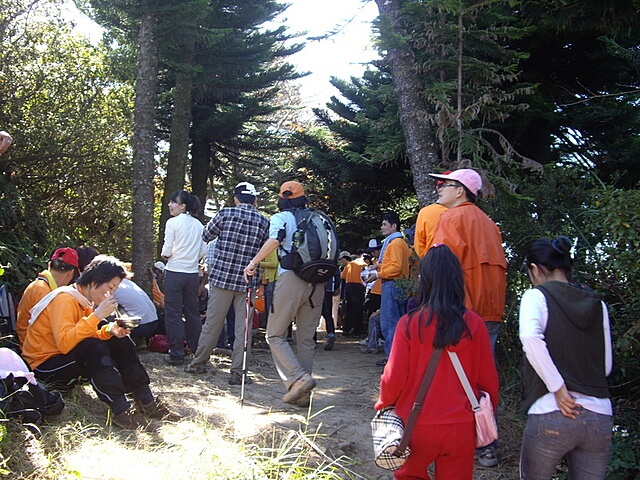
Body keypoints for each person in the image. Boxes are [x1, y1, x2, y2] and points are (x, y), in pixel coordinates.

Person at [375, 244, 499, 480]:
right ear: (457, 279)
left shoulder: (409, 324)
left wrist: (384, 405)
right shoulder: (474, 324)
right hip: (461, 426)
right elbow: (489, 382)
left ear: (425, 279)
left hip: (415, 424)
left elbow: (394, 378)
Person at [21, 255, 179, 430]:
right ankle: (121, 409)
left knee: (120, 340)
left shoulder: (83, 299)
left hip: (64, 358)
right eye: (110, 288)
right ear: (94, 280)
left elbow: (85, 335)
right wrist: (97, 316)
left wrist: (110, 331)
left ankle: (145, 400)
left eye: (114, 290)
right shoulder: (65, 299)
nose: (110, 294)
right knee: (92, 347)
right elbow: (65, 343)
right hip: (44, 367)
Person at [429, 168, 507, 466]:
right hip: (491, 310)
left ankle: (456, 440)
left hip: (460, 310)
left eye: (444, 185)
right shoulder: (490, 224)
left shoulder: (450, 218)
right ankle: (487, 443)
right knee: (484, 377)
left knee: (452, 378)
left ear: (460, 190)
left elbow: (441, 268)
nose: (439, 188)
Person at [519, 237, 613, 480]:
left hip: (551, 409)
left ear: (535, 269)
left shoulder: (536, 296)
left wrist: (558, 389)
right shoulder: (596, 302)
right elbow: (606, 366)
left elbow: (530, 337)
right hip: (599, 414)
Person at [243, 181, 324, 408]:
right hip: (317, 281)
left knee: (274, 334)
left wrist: (253, 263)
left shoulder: (281, 217)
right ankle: (303, 395)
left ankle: (298, 379)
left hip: (292, 277)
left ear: (283, 197)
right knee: (306, 339)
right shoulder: (317, 218)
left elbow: (276, 239)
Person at [185, 182, 269, 385]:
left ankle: (198, 363)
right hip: (247, 282)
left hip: (222, 278)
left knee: (212, 323)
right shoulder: (263, 222)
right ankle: (238, 372)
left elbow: (206, 236)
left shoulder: (225, 214)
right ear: (255, 200)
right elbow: (267, 247)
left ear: (236, 199)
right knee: (243, 329)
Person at [161, 190, 207, 366]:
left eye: (173, 202)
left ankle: (176, 353)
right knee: (192, 313)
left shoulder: (172, 223)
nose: (170, 205)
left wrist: (167, 255)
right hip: (192, 274)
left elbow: (166, 250)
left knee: (173, 313)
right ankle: (196, 350)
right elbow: (204, 250)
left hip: (174, 271)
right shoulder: (198, 225)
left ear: (183, 206)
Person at [368, 213, 411, 367]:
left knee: (389, 323)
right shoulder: (400, 243)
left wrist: (377, 274)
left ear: (394, 226)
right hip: (399, 285)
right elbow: (395, 263)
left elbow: (396, 267)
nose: (382, 227)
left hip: (392, 285)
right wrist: (377, 266)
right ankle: (397, 357)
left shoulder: (394, 244)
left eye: (385, 224)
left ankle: (392, 358)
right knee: (397, 322)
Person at [16, 247, 80, 347]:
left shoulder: (40, 286)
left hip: (35, 342)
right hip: (34, 349)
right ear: (70, 273)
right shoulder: (43, 292)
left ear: (49, 264)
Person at [112, 269, 159, 349]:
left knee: (111, 307)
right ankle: (140, 341)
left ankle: (131, 341)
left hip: (140, 327)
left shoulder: (112, 286)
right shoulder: (128, 283)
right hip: (154, 322)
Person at [414, 172, 450, 258]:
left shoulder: (425, 212)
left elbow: (419, 247)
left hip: (432, 263)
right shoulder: (464, 212)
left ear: (438, 189)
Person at [339, 250, 366, 336]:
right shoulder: (364, 264)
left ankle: (346, 329)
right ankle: (357, 331)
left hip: (349, 287)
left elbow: (343, 276)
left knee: (349, 309)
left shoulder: (349, 264)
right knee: (358, 309)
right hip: (359, 288)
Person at [321, 268, 341, 351]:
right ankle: (331, 333)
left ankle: (312, 339)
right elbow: (337, 278)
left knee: (313, 314)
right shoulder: (332, 264)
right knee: (328, 314)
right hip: (328, 290)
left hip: (315, 289)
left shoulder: (315, 260)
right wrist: (335, 288)